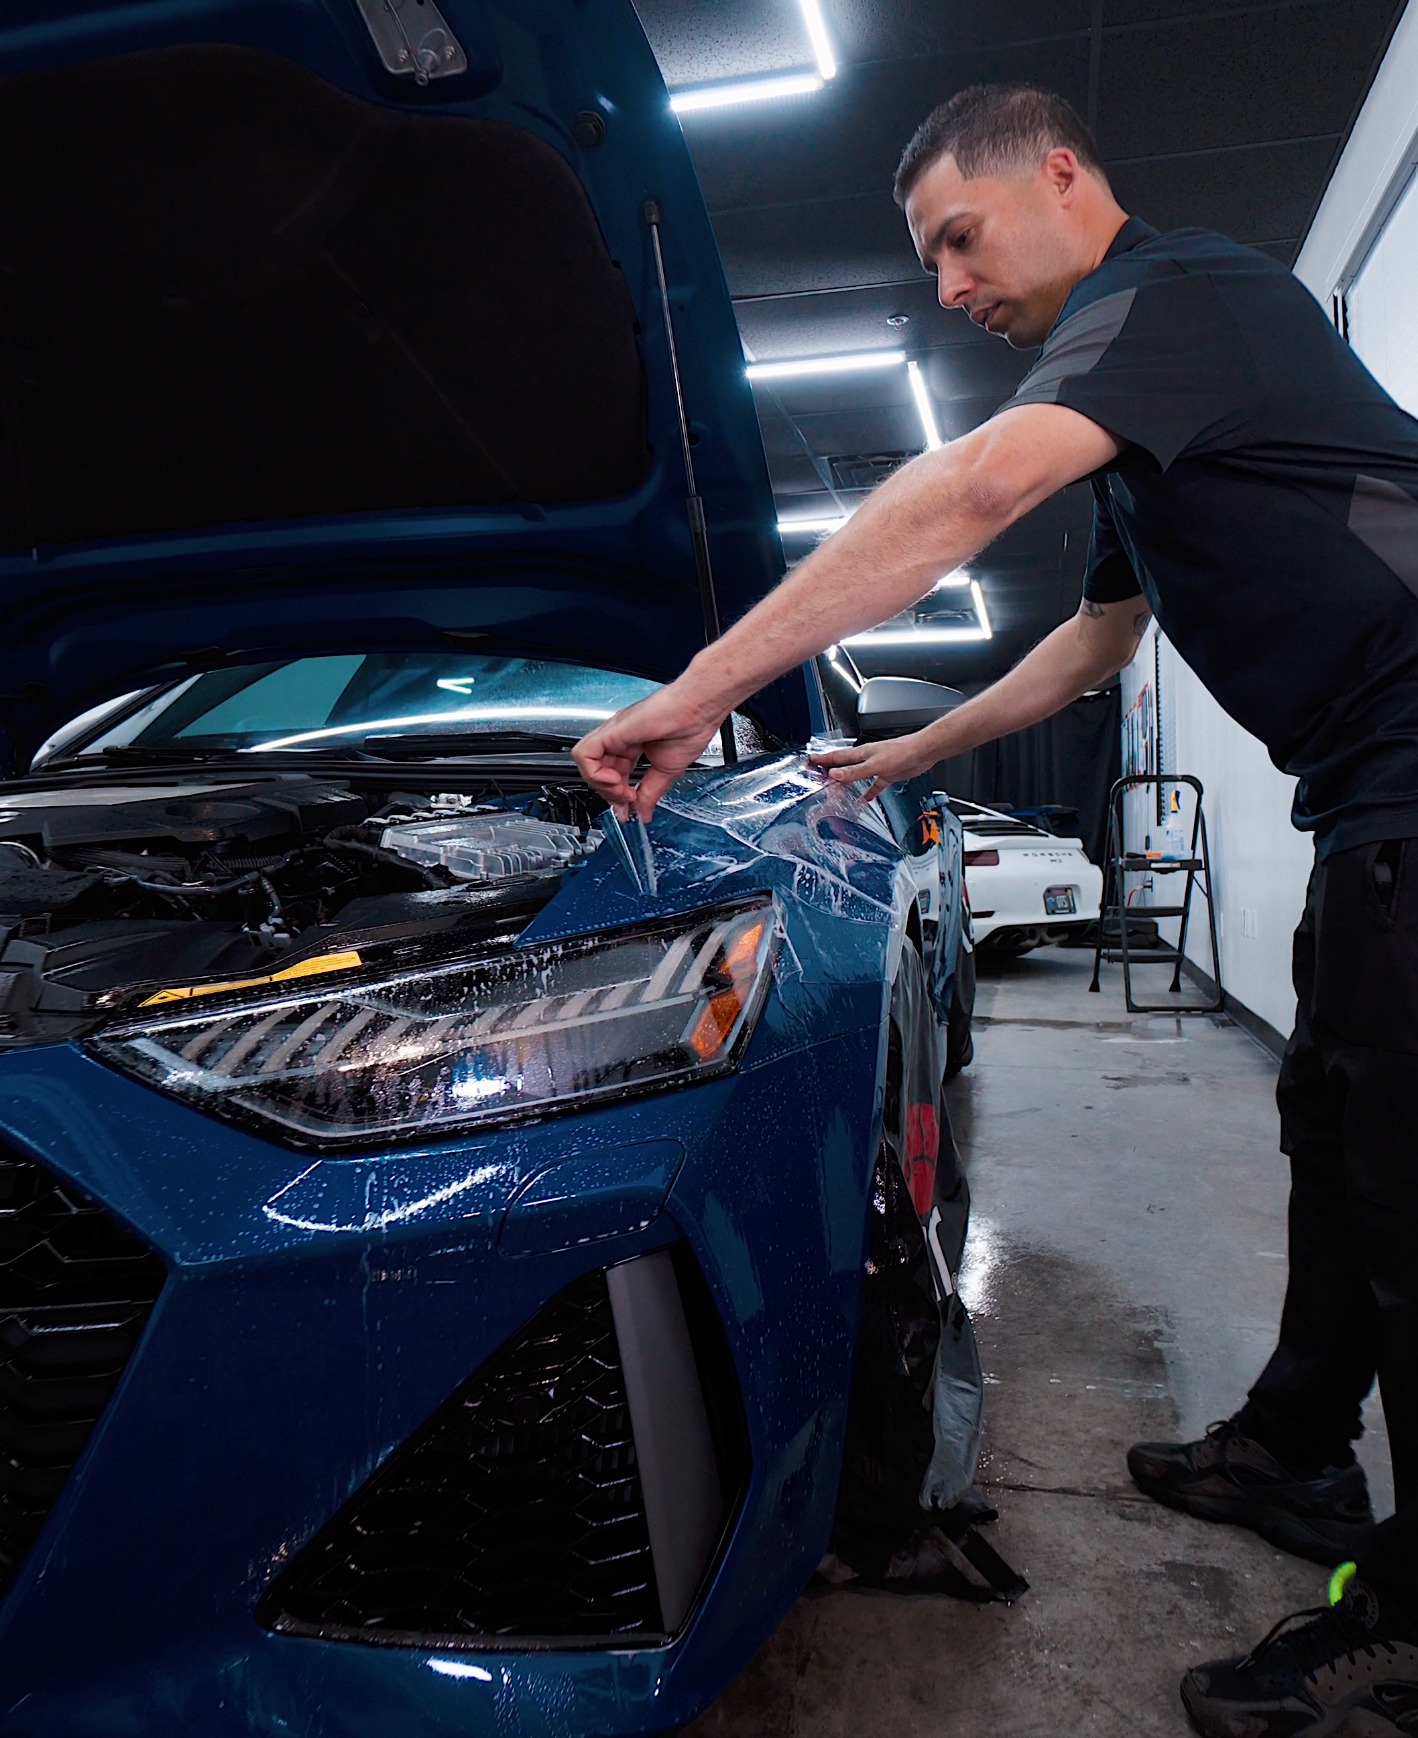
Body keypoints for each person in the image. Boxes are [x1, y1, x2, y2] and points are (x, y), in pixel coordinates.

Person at [573, 82, 1418, 1736]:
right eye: (929, 260)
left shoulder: (1176, 297)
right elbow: (1095, 644)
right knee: (1334, 1128)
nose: (947, 287)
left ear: (1060, 173)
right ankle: (1292, 1451)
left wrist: (696, 690)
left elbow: (964, 497)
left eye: (958, 237)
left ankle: (1399, 1640)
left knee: (1409, 1200)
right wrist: (910, 745)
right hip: (1372, 799)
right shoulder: (1148, 410)